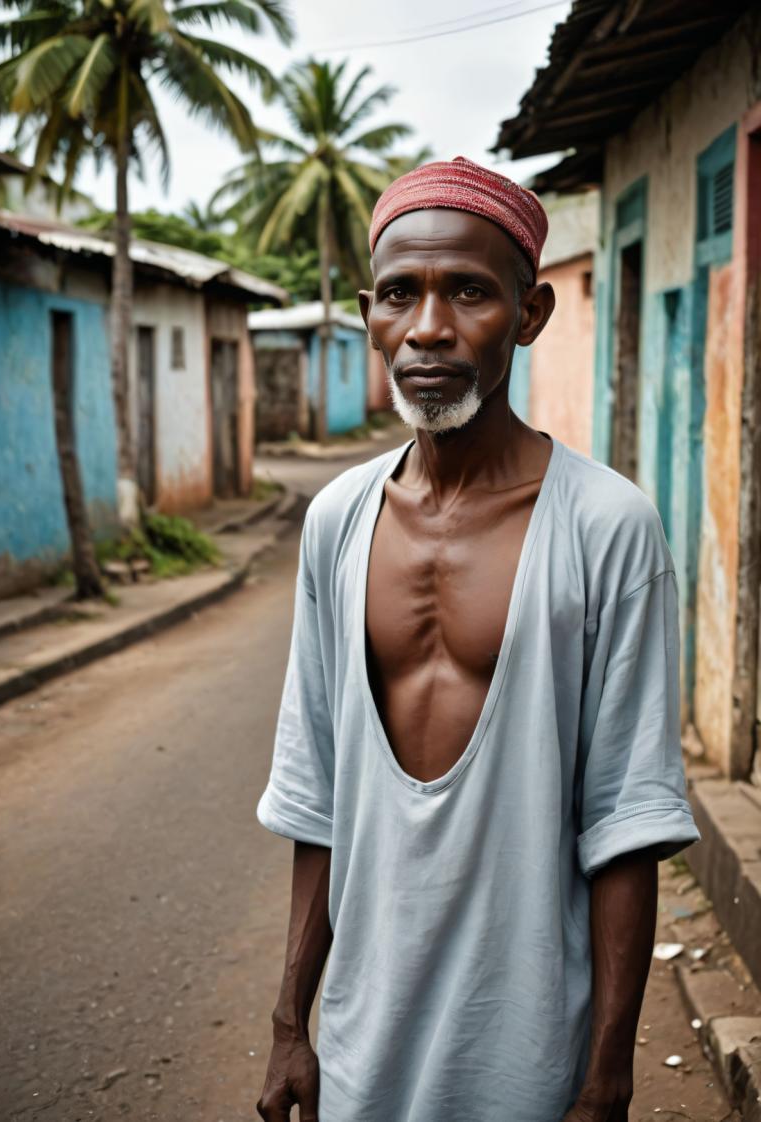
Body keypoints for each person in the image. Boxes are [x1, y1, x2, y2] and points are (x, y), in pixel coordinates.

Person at [255, 156, 699, 1122]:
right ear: (370, 314)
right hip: (360, 1046)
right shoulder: (336, 520)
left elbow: (626, 817)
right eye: (399, 295)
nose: (428, 329)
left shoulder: (607, 527)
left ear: (529, 314)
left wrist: (607, 1074)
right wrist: (292, 1026)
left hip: (531, 1057)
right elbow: (316, 793)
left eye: (468, 292)